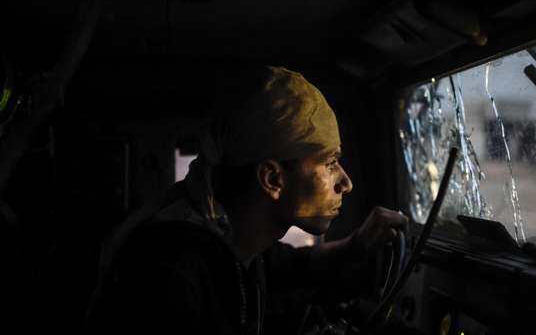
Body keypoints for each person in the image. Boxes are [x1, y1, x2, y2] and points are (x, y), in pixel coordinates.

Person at [86, 66, 407, 334]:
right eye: (330, 163)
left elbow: (293, 266)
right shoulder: (171, 270)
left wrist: (358, 244)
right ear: (272, 179)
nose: (346, 183)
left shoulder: (230, 236)